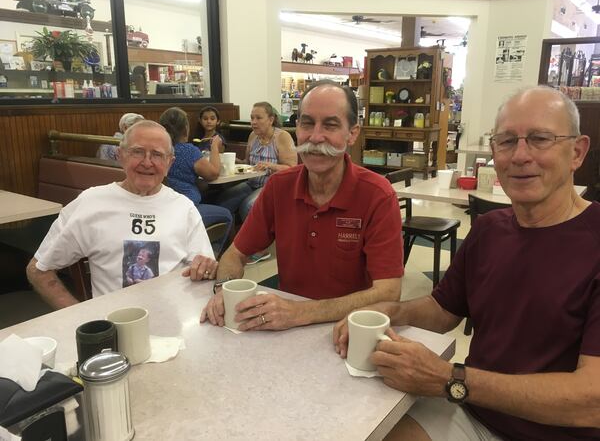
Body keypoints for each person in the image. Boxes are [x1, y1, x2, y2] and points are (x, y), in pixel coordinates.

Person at [333, 86, 600, 441]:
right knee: (354, 424)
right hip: (471, 411)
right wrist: (389, 311)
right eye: (506, 141)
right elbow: (443, 310)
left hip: (551, 431)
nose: (520, 155)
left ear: (577, 152)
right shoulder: (489, 229)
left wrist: (450, 378)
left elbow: (590, 401)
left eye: (540, 139)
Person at [201, 81, 404, 332]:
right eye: (307, 123)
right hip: (287, 332)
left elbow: (389, 291)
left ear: (352, 133)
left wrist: (301, 312)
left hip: (349, 331)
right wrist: (224, 289)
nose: (316, 137)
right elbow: (235, 254)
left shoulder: (378, 195)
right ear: (297, 127)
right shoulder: (279, 187)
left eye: (330, 125)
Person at [27, 120, 218, 310]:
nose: (147, 162)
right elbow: (38, 270)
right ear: (120, 156)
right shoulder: (91, 202)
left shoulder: (184, 207)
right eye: (137, 152)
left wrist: (207, 269)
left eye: (158, 155)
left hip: (174, 327)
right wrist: (79, 317)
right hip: (114, 329)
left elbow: (205, 270)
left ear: (170, 163)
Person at [160, 107, 233, 256]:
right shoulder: (187, 151)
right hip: (187, 208)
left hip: (164, 207)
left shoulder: (161, 149)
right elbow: (213, 173)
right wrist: (214, 147)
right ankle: (213, 256)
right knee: (227, 215)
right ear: (185, 128)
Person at [218, 101, 297, 225]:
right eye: (252, 118)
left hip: (272, 186)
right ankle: (229, 239)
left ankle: (252, 242)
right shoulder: (252, 136)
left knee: (248, 206)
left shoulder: (282, 137)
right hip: (251, 183)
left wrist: (271, 165)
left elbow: (292, 169)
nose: (253, 122)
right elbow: (247, 164)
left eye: (258, 118)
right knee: (224, 201)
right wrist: (229, 160)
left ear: (271, 119)